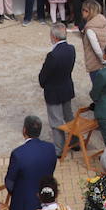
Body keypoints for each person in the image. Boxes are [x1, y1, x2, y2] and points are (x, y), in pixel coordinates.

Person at [5, 115, 59, 210]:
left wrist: (16, 193)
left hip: (23, 205)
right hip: (44, 200)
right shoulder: (50, 148)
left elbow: (9, 182)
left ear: (24, 130)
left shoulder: (18, 154)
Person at [39, 23, 77, 152]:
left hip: (54, 91)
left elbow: (43, 76)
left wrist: (43, 84)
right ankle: (75, 141)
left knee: (56, 121)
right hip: (66, 87)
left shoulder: (53, 55)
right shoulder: (71, 49)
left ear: (54, 37)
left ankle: (59, 148)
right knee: (69, 117)